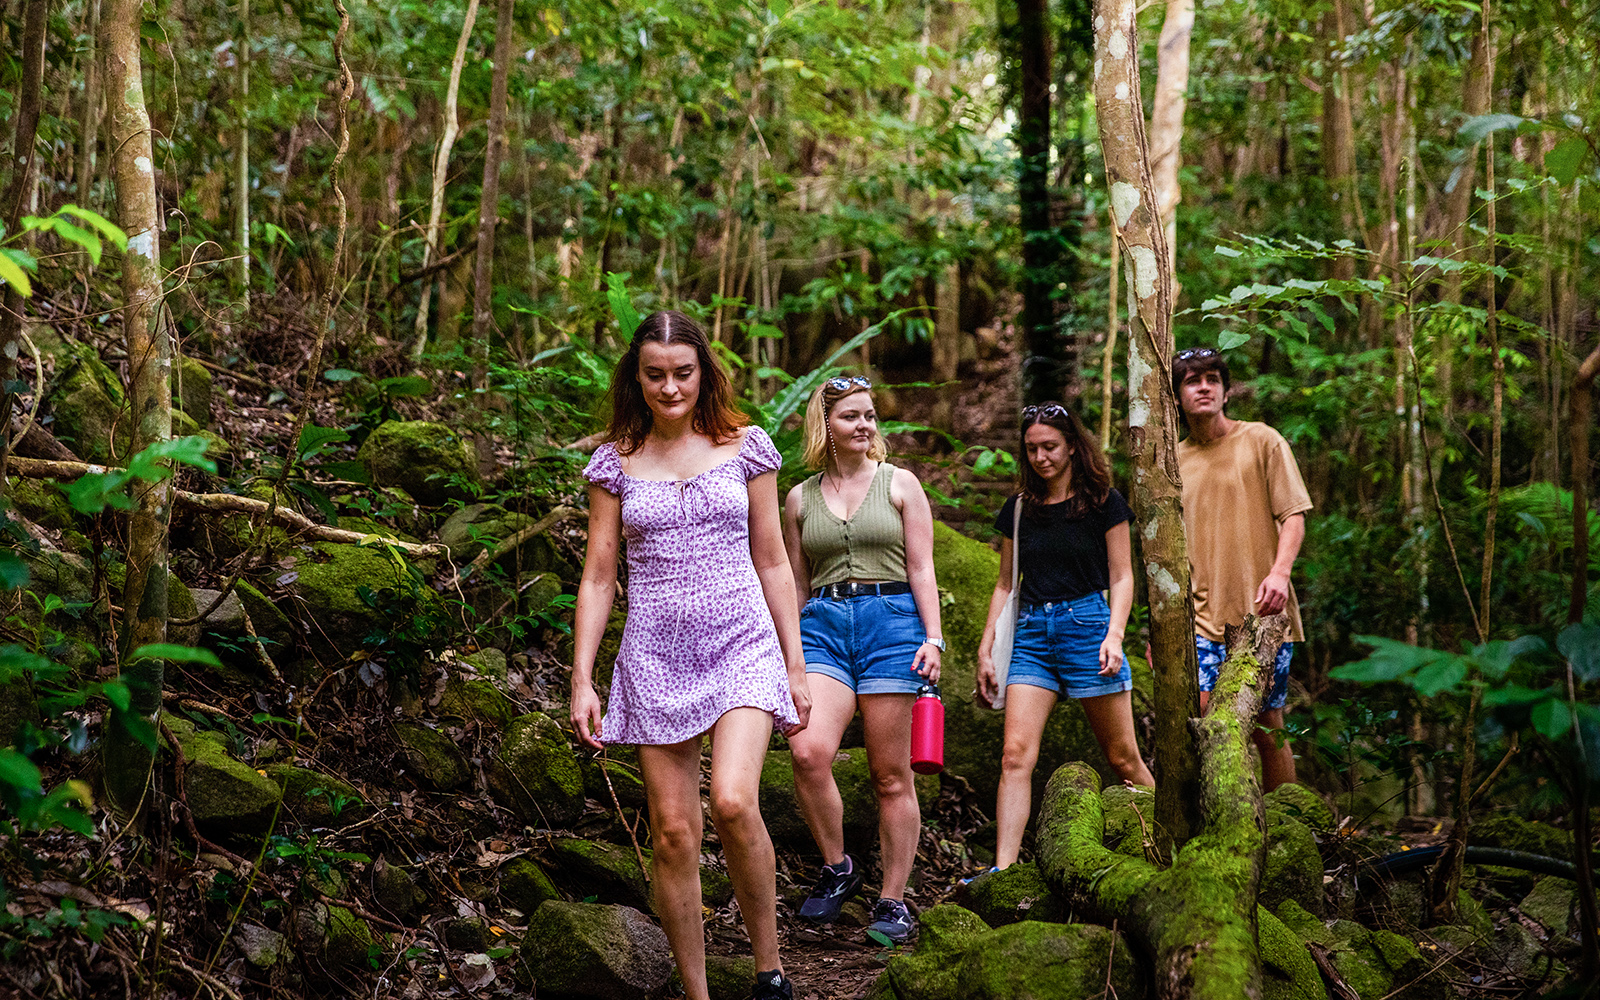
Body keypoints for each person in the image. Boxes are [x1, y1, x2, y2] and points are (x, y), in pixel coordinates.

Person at [569, 310, 812, 1000]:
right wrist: (582, 677)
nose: (669, 387)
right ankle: (696, 990)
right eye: (655, 374)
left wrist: (794, 667)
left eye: (682, 373)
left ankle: (770, 970)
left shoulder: (746, 446)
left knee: (733, 801)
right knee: (674, 832)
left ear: (703, 372)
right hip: (653, 653)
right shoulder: (614, 460)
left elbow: (772, 561)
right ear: (635, 377)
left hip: (741, 641)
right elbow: (597, 573)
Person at [780, 375, 943, 944]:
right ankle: (837, 866)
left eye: (870, 415)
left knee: (890, 775)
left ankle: (892, 901)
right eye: (852, 415)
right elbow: (794, 581)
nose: (866, 425)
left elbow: (922, 568)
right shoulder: (798, 498)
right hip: (822, 628)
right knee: (807, 750)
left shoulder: (901, 485)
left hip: (893, 627)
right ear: (825, 424)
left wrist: (934, 639)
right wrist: (788, 651)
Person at [975, 402, 1155, 872]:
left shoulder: (1104, 503)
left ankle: (1169, 848)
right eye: (1032, 448)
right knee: (1014, 754)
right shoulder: (1018, 509)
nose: (1040, 457)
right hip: (1033, 634)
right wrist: (986, 647)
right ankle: (1004, 870)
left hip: (1088, 628)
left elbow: (1122, 577)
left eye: (1050, 447)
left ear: (1073, 446)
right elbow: (1003, 582)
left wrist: (1114, 635)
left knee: (1123, 757)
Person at [1172, 347, 1311, 790]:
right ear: (1177, 396)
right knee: (1208, 721)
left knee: (1267, 725)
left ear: (1227, 390)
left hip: (1263, 613)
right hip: (1200, 618)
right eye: (1192, 380)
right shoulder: (1172, 461)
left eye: (1213, 378)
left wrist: (1280, 573)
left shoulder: (1262, 440)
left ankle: (1286, 818)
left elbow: (1294, 515)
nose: (1204, 387)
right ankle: (1224, 823)